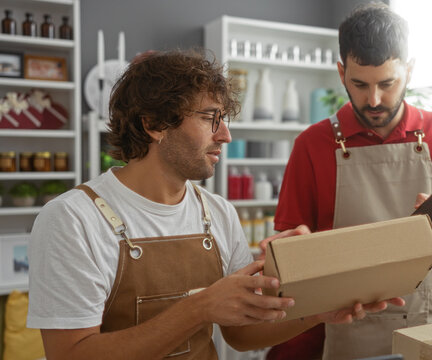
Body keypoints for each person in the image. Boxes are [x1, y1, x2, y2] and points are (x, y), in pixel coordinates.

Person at [26, 49, 403, 360]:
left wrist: (316, 313)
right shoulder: (72, 219)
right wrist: (199, 308)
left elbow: (240, 334)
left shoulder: (217, 212)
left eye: (223, 119)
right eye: (210, 119)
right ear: (154, 124)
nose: (226, 135)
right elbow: (70, 355)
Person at [262, 3, 432, 359]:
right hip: (348, 329)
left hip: (431, 326)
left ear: (409, 70)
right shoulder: (312, 145)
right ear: (340, 73)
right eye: (360, 84)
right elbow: (290, 250)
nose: (375, 100)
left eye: (387, 83)